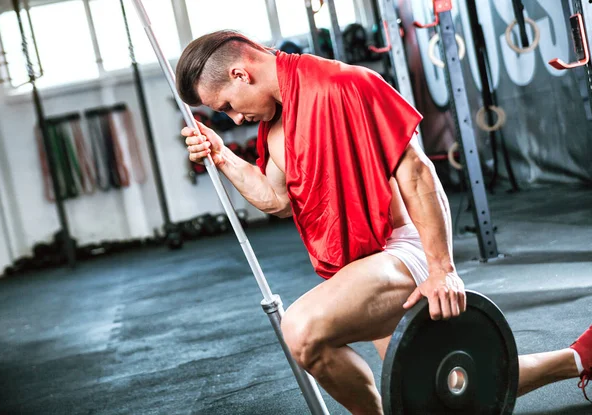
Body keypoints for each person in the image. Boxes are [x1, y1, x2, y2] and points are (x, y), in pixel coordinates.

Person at [175, 30, 591, 414]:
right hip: (362, 268)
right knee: (444, 385)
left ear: (239, 73)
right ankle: (581, 357)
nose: (234, 120)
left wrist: (441, 270)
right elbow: (277, 199)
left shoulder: (345, 84)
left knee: (301, 330)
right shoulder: (274, 127)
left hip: (400, 252)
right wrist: (221, 155)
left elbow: (417, 173)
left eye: (226, 106)